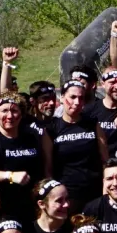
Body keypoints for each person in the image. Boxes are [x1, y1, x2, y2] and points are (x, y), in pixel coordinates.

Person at [0, 92, 50, 218]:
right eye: (4, 111)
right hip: (7, 208)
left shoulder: (32, 138)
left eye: (14, 111)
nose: (10, 116)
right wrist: (10, 176)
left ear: (21, 114)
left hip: (35, 206)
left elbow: (47, 169)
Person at [45, 80, 103, 208]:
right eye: (72, 97)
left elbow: (105, 160)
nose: (77, 102)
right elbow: (48, 168)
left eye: (81, 98)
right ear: (62, 98)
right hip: (66, 195)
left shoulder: (93, 124)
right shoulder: (51, 128)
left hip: (94, 192)